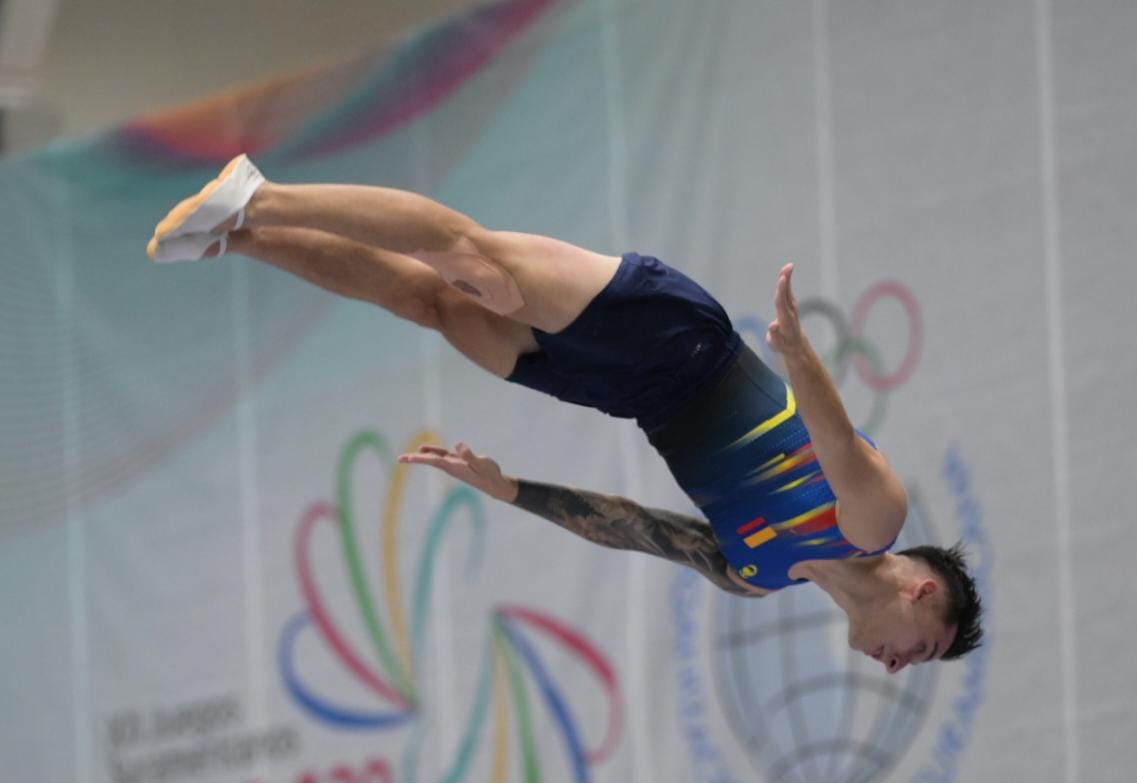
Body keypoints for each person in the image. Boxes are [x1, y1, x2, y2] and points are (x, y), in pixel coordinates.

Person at [148, 155, 983, 670]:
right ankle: (259, 197)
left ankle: (239, 237)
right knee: (479, 265)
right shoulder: (874, 523)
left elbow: (627, 527)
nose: (899, 667)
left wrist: (508, 489)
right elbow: (835, 439)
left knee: (436, 307)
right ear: (918, 591)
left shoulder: (754, 577)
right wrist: (799, 357)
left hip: (628, 397)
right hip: (678, 342)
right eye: (926, 648)